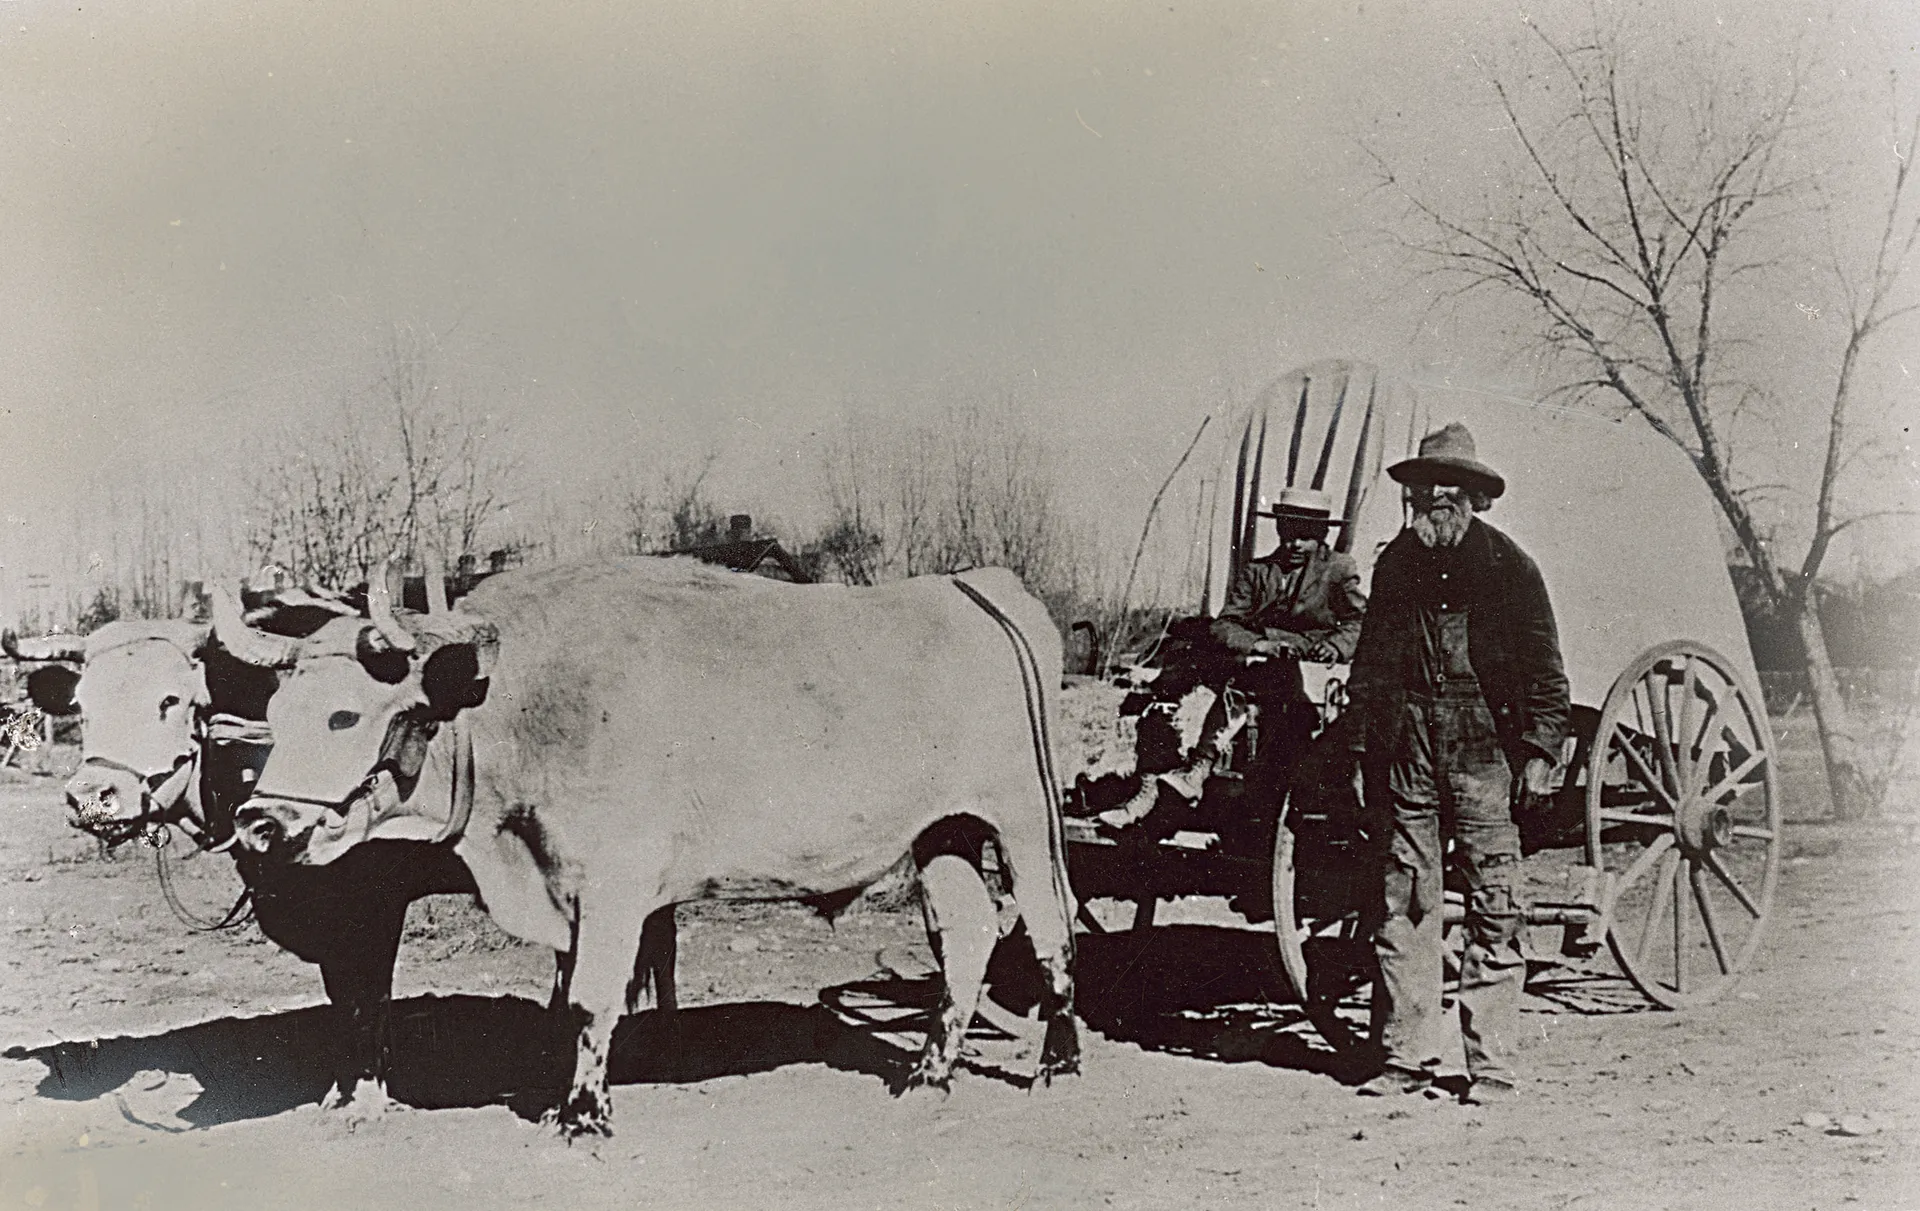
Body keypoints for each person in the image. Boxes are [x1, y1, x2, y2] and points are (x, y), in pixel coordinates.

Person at [1346, 422, 1569, 1105]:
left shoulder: (1511, 567)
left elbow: (1545, 672)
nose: (1436, 503)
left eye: (1450, 491)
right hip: (1408, 740)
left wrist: (1539, 750)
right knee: (1406, 897)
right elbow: (1371, 665)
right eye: (1425, 491)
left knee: (1495, 901)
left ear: (1473, 499)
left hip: (1485, 745)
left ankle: (1492, 1064)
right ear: (1412, 496)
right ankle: (1406, 1057)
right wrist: (1362, 748)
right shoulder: (1395, 566)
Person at [1098, 485, 1366, 831]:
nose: (1294, 545)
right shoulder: (1258, 572)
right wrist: (1257, 645)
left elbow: (1360, 621)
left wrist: (1335, 646)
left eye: (1305, 537)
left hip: (1311, 668)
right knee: (1185, 682)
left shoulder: (1339, 570)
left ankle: (1201, 766)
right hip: (1259, 662)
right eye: (1288, 534)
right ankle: (1170, 774)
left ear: (1321, 536)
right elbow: (1226, 623)